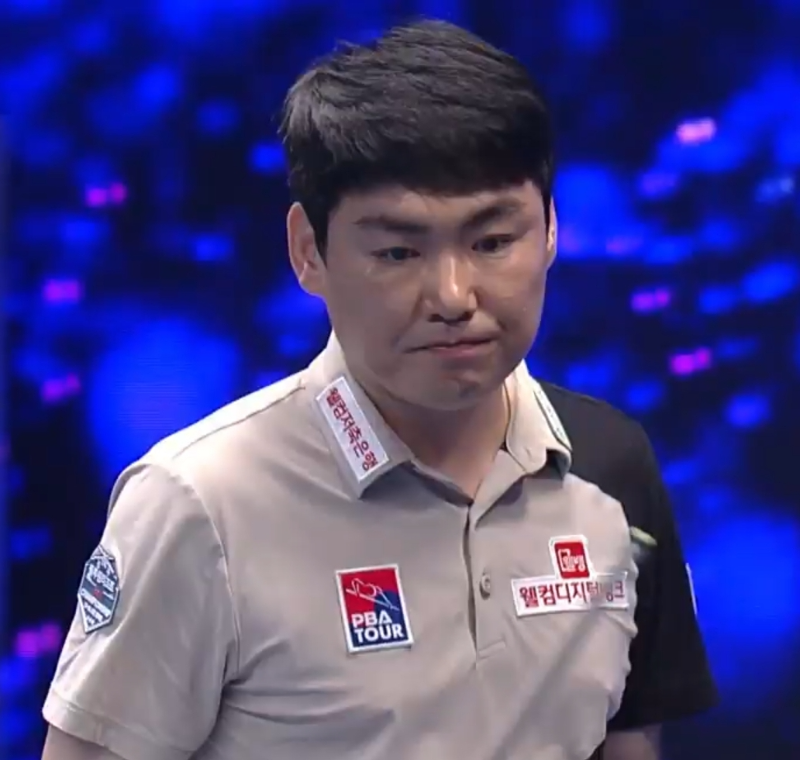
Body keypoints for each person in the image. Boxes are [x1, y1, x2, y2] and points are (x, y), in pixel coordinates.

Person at [41, 19, 716, 760]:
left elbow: (629, 742)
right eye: (397, 251)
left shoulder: (611, 465)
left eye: (493, 242)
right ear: (309, 251)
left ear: (552, 228)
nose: (453, 295)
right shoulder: (199, 504)